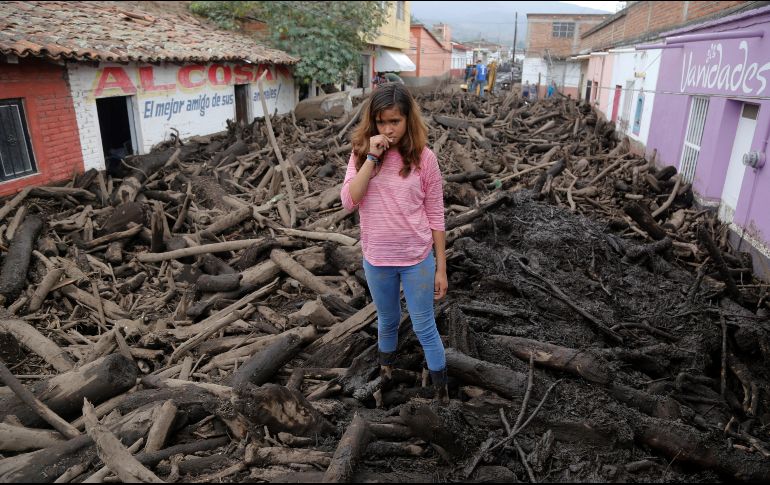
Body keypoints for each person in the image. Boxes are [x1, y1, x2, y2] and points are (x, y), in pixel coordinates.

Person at [340, 83, 449, 405]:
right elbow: (349, 201)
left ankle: (441, 395)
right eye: (382, 122)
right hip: (377, 259)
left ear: (407, 120)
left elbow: (436, 214)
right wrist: (372, 157)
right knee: (387, 321)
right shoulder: (361, 156)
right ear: (373, 122)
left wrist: (441, 267)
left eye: (395, 122)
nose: (388, 130)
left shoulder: (424, 159)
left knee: (424, 325)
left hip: (417, 258)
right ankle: (386, 377)